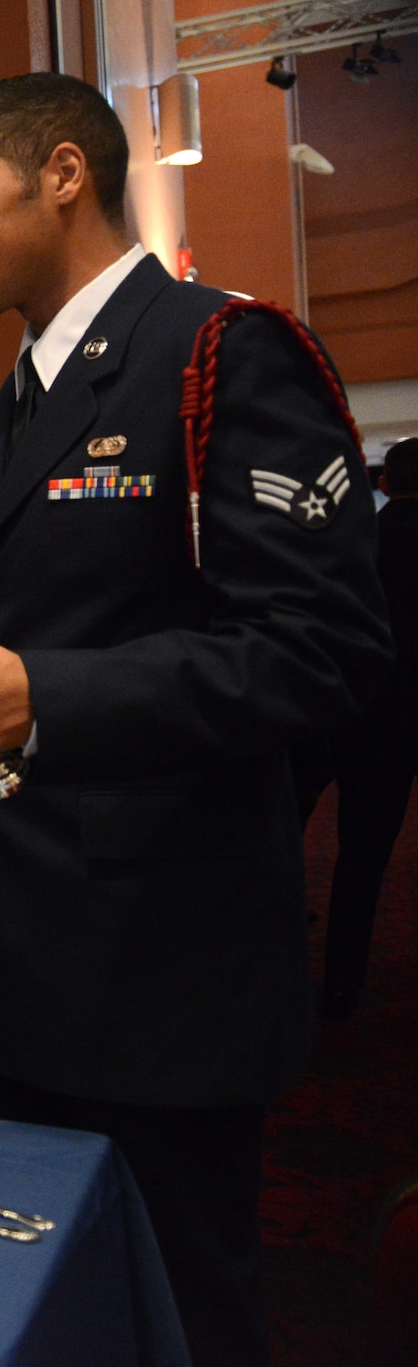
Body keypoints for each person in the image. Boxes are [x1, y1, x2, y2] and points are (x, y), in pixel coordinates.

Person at [0, 74, 390, 1366]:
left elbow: (325, 654)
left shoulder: (223, 351)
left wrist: (54, 698)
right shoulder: (23, 397)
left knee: (175, 1322)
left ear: (60, 174)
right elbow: (2, 657)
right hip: (11, 972)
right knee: (32, 1309)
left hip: (162, 981)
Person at [304, 436, 418, 1017]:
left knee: (294, 830)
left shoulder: (362, 541)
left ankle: (299, 959)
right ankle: (344, 981)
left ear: (385, 483)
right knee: (366, 856)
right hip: (400, 720)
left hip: (340, 709)